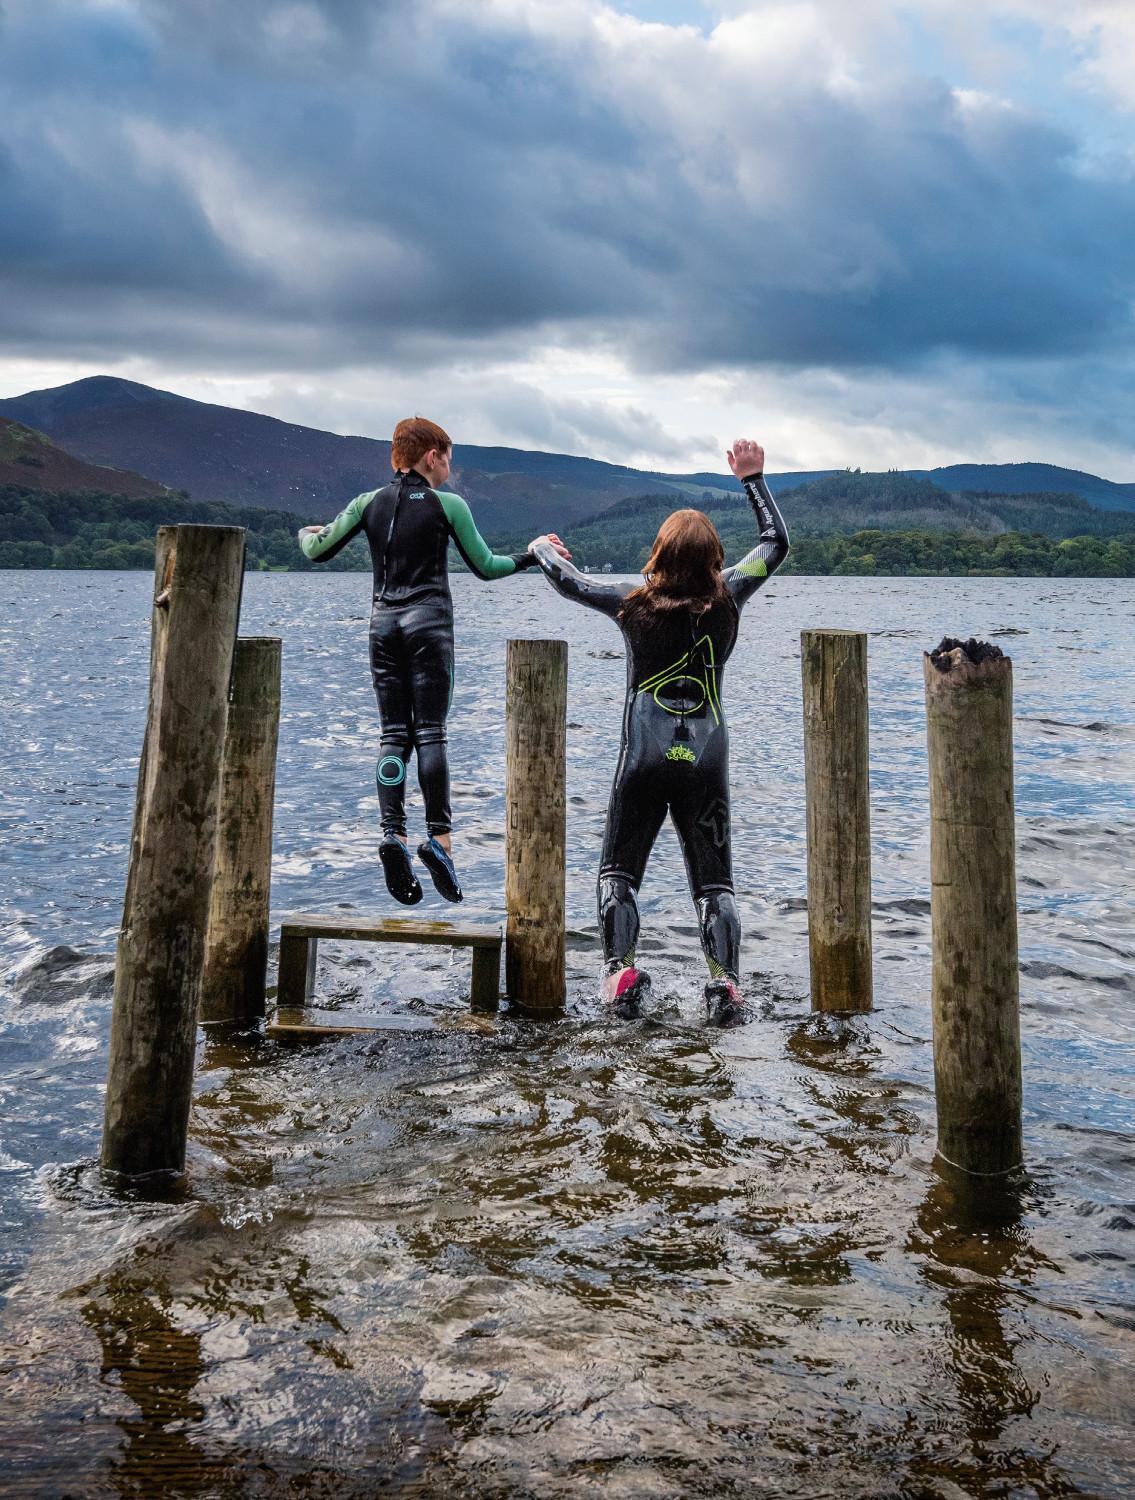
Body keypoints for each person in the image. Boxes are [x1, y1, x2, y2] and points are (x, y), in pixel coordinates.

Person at [528, 438, 788, 1025]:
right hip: (706, 754)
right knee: (714, 885)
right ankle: (724, 984)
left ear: (659, 553)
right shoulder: (731, 594)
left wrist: (542, 546)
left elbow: (568, 582)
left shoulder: (632, 602)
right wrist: (753, 478)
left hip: (644, 753)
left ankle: (620, 972)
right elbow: (776, 543)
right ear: (715, 558)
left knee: (617, 874)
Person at [297, 416, 570, 905]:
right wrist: (534, 553)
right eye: (449, 460)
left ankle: (393, 833)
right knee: (430, 734)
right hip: (429, 626)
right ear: (432, 457)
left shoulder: (367, 503)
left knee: (392, 735)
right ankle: (440, 841)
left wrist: (304, 531)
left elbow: (318, 549)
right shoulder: (448, 505)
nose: (450, 470)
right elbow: (487, 567)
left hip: (383, 627)